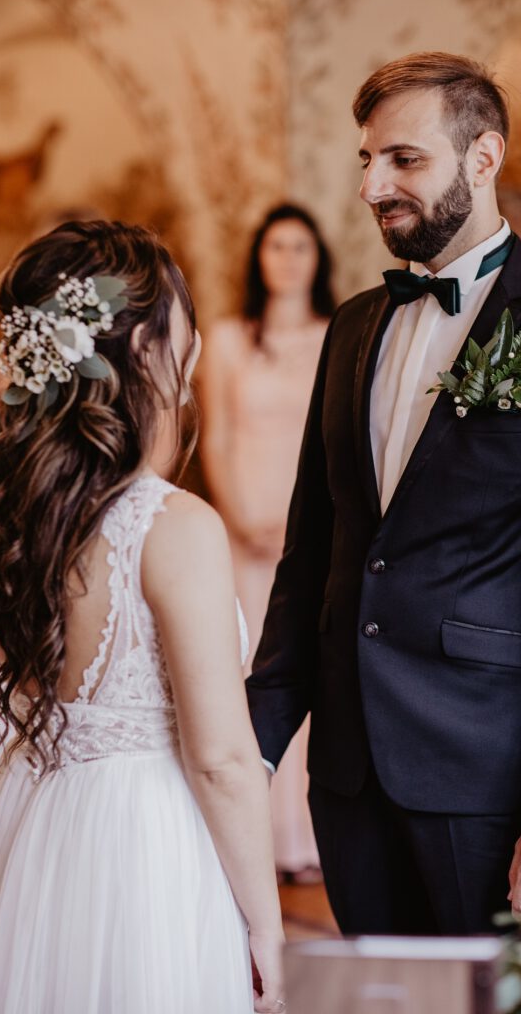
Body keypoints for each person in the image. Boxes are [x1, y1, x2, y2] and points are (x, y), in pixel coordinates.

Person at [245, 52, 521, 936]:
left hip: (488, 783)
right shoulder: (353, 326)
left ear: (483, 157)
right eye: (366, 162)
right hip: (347, 779)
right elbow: (312, 556)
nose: (372, 187)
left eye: (403, 159)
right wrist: (250, 754)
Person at [0, 220, 285, 1013]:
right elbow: (218, 758)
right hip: (151, 843)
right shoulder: (172, 524)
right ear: (146, 343)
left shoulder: (17, 518)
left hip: (43, 828)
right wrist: (265, 927)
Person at [200, 203, 334, 880]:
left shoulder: (338, 332)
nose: (287, 259)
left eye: (299, 247)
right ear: (258, 255)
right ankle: (243, 835)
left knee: (303, 668)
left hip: (307, 524)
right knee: (241, 670)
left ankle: (300, 842)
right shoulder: (226, 339)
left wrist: (297, 524)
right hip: (242, 528)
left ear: (317, 259)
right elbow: (216, 434)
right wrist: (239, 514)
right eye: (276, 245)